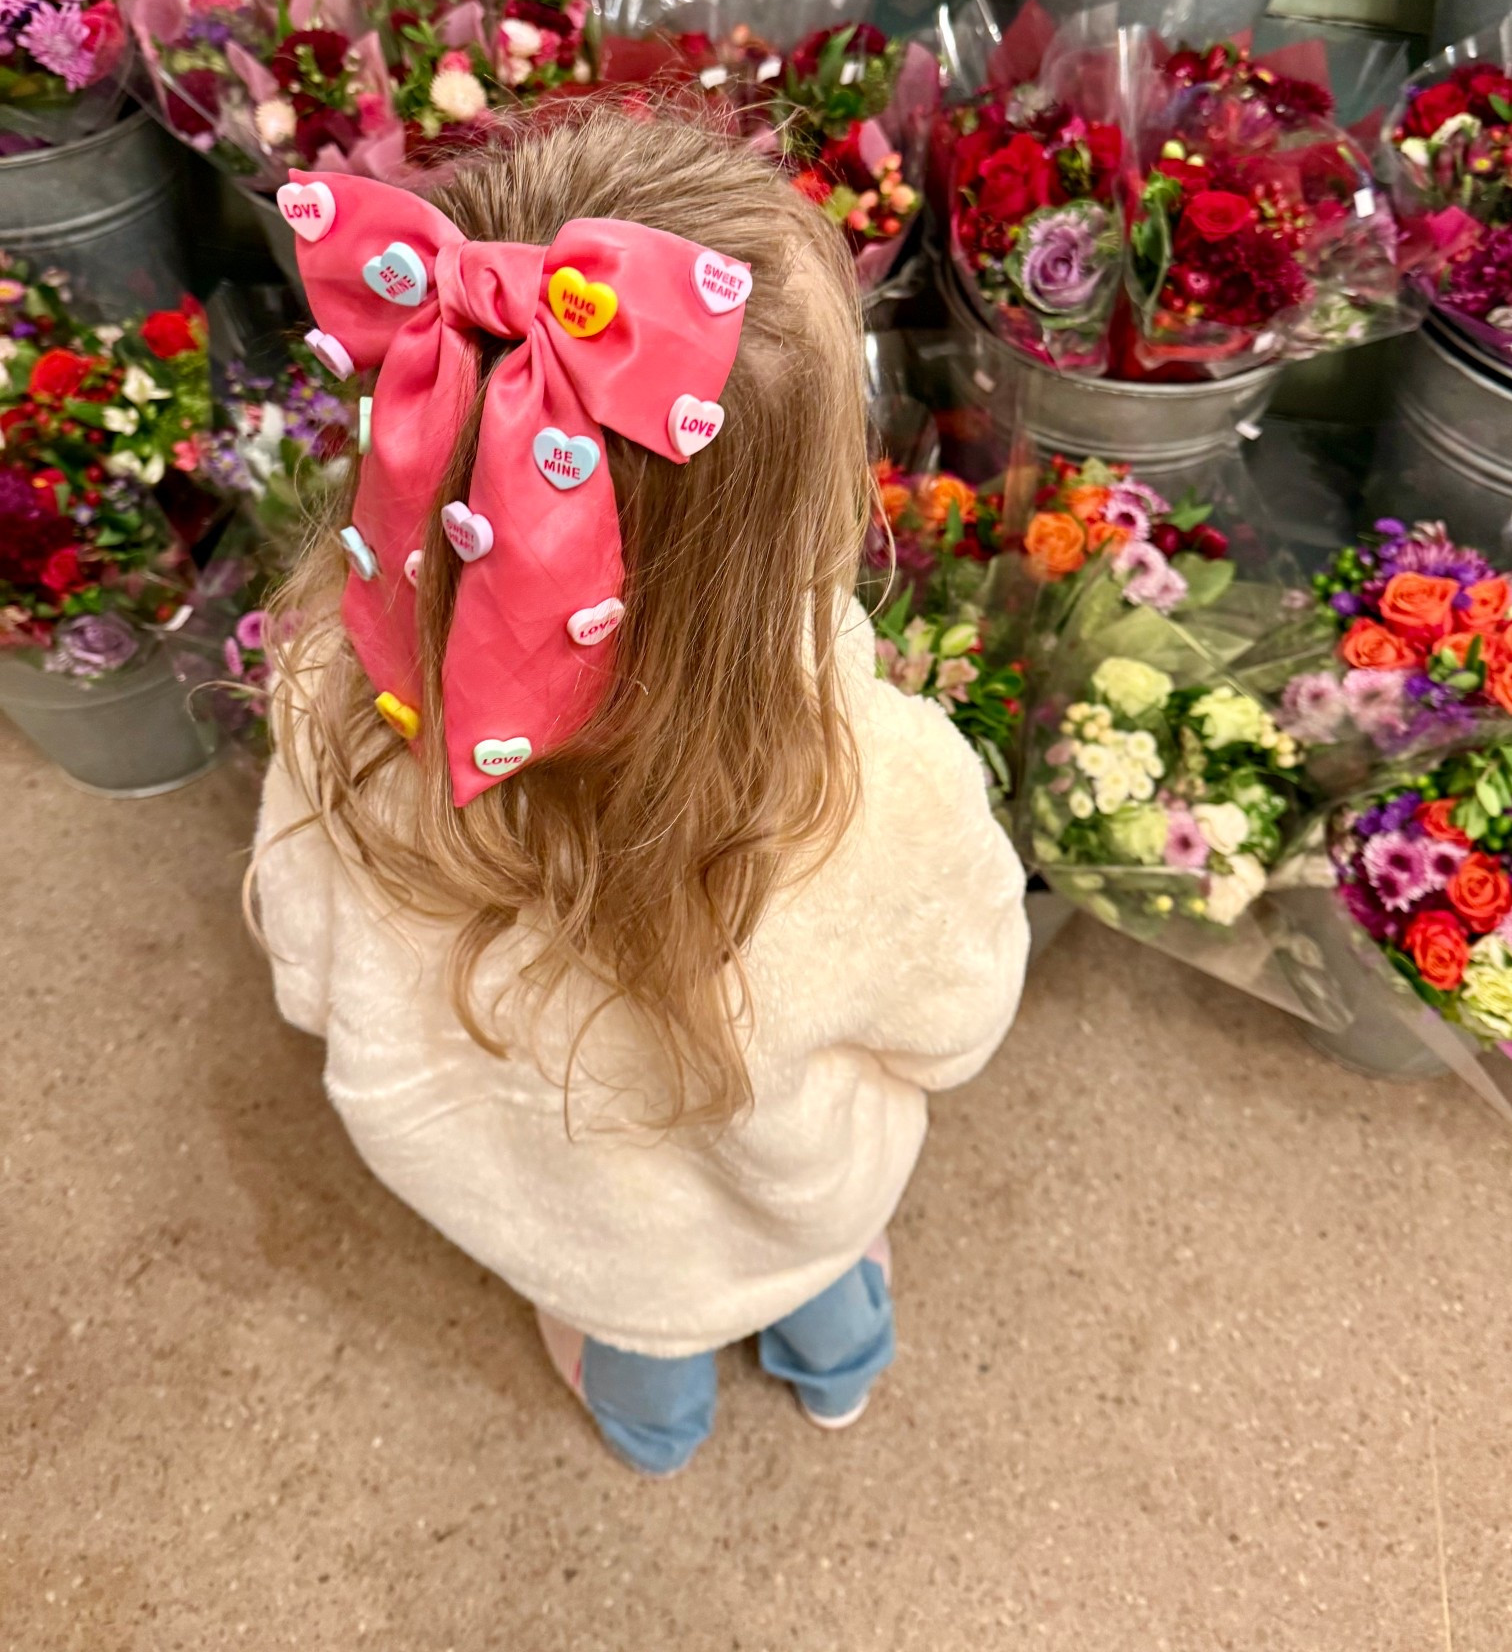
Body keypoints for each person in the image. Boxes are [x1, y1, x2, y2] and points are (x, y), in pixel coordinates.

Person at [255, 100, 1028, 1477]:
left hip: (564, 1234)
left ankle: (649, 1410)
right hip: (797, 1206)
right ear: (809, 511)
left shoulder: (335, 708)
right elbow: (953, 1029)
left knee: (631, 1330)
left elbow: (311, 983)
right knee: (831, 1271)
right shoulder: (888, 787)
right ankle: (835, 1354)